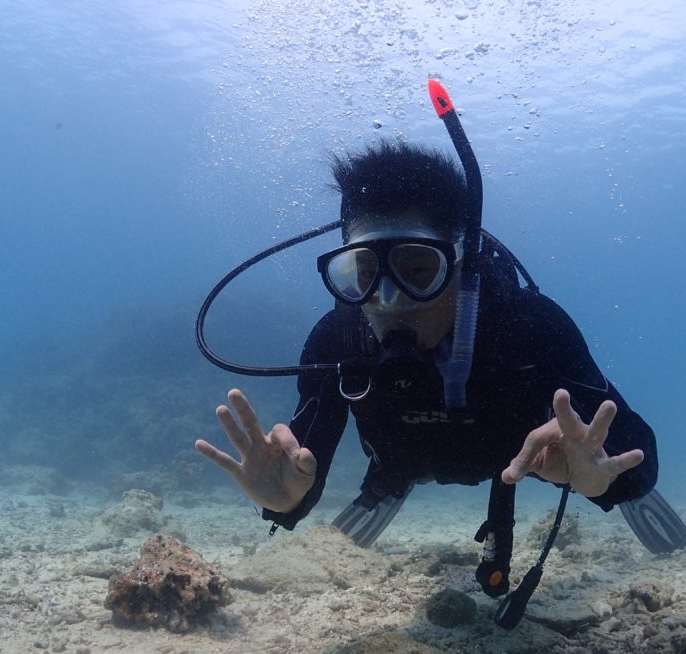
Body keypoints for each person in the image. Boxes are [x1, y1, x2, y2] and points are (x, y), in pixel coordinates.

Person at [195, 140, 661, 563]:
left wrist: (602, 478)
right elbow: (299, 463)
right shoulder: (340, 338)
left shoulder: (530, 325)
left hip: (525, 462)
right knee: (389, 470)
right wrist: (285, 499)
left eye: (418, 270)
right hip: (403, 462)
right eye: (363, 273)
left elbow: (633, 447)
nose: (387, 300)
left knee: (596, 463)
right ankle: (391, 482)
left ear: (461, 265)